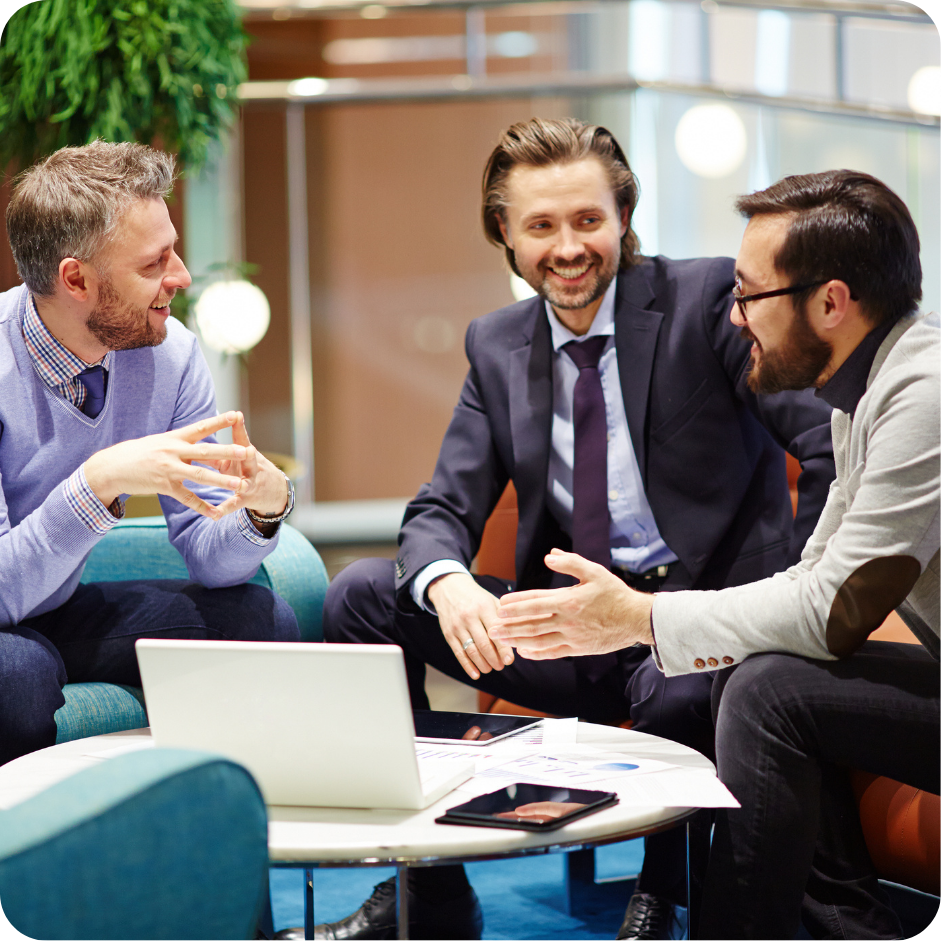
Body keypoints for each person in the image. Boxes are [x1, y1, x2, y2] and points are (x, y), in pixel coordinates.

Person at [300, 118, 836, 943]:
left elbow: (826, 445)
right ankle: (430, 894)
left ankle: (664, 897)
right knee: (364, 595)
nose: (568, 246)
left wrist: (782, 600)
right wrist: (447, 586)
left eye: (587, 219)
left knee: (686, 680)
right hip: (565, 629)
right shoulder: (496, 343)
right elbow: (442, 505)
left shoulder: (703, 303)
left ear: (622, 215)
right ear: (506, 238)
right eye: (540, 226)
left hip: (688, 628)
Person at [493, 169, 940, 940]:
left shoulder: (922, 393)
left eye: (748, 295)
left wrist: (636, 617)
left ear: (830, 302)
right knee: (766, 675)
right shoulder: (863, 385)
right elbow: (814, 581)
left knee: (773, 689)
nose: (734, 320)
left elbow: (831, 610)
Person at [0, 141, 300, 767]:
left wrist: (260, 513)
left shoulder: (173, 356)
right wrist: (96, 483)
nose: (182, 277)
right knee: (16, 675)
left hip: (56, 607)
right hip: (9, 608)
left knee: (259, 618)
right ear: (76, 279)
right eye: (154, 263)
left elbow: (213, 558)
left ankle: (245, 847)